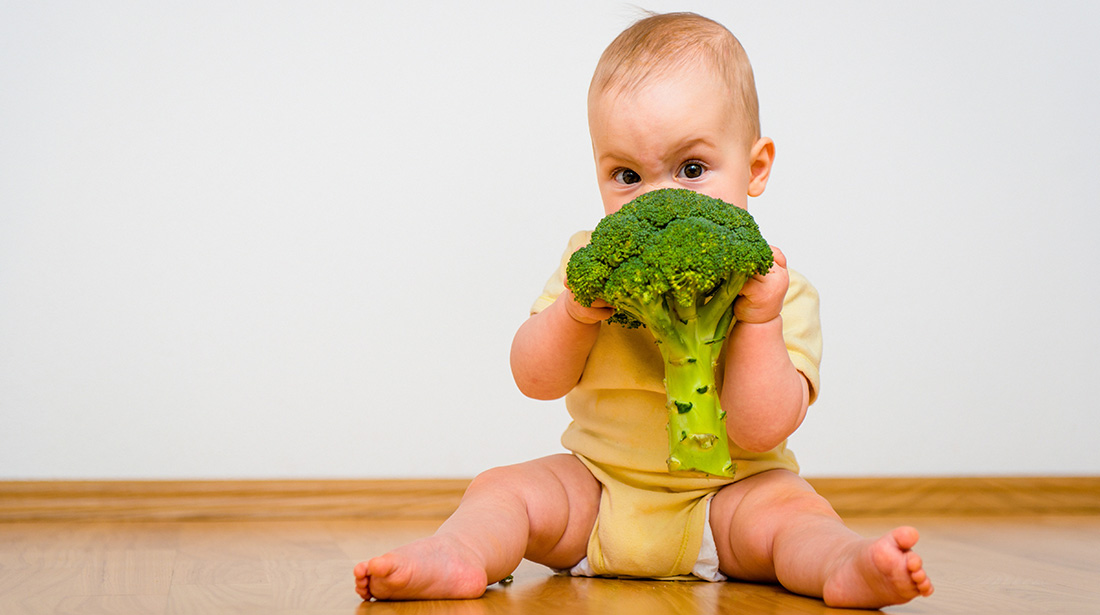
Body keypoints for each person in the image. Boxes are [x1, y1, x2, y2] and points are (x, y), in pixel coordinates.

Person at [355, 12, 933, 609]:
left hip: (730, 499)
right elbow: (534, 378)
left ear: (755, 167)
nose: (658, 199)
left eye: (691, 169)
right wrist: (574, 315)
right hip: (598, 492)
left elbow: (765, 428)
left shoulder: (779, 290)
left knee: (794, 514)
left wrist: (759, 322)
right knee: (504, 489)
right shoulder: (590, 266)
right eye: (626, 175)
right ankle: (459, 553)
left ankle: (844, 564)